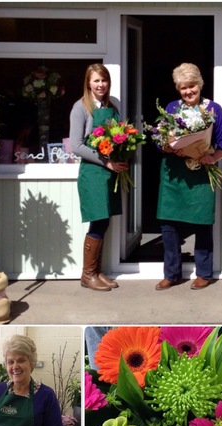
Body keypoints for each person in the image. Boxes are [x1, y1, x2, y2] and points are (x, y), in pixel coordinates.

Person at [155, 63, 222, 291]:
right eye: (183, 88)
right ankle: (172, 274)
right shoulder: (170, 108)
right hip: (173, 176)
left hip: (200, 173)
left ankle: (204, 273)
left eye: (192, 86)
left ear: (200, 85)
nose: (188, 91)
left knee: (202, 223)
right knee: (168, 225)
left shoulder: (213, 109)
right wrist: (167, 147)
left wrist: (213, 157)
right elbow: (161, 141)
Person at [69, 63, 128, 291]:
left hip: (110, 171)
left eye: (103, 80)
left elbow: (120, 135)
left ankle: (97, 271)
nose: (100, 84)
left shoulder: (113, 106)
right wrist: (106, 161)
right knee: (97, 220)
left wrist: (122, 155)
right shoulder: (80, 108)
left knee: (104, 221)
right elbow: (76, 145)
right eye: (96, 81)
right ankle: (87, 275)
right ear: (88, 83)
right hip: (93, 172)